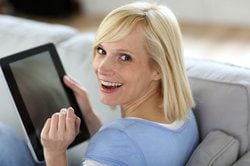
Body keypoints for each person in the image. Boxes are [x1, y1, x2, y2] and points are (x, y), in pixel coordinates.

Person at [41, 2, 199, 166]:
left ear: (158, 68)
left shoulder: (117, 143)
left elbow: (120, 151)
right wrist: (88, 114)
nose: (102, 67)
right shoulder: (182, 110)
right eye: (101, 51)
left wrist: (54, 153)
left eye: (124, 57)